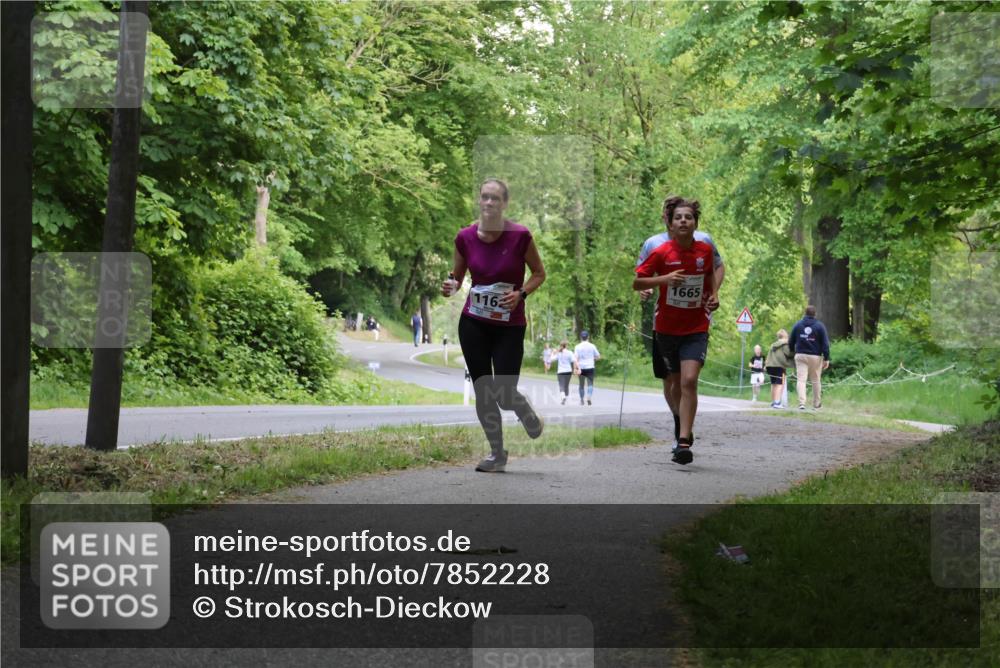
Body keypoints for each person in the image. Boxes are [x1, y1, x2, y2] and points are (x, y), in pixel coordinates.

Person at [441, 178, 546, 473]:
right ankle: (497, 454)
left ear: (504, 204)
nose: (489, 202)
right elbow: (457, 277)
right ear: (479, 200)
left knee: (504, 391)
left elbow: (539, 273)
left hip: (509, 325)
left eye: (495, 198)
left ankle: (524, 411)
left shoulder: (520, 236)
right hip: (474, 322)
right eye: (485, 197)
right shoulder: (465, 237)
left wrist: (521, 293)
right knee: (484, 389)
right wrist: (450, 286)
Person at [636, 195, 724, 445]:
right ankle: (679, 419)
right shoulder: (654, 245)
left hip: (695, 322)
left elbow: (715, 269)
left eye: (688, 217)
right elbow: (640, 278)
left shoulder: (705, 244)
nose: (682, 220)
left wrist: (714, 294)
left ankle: (684, 435)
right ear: (667, 220)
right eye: (675, 216)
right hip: (666, 324)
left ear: (695, 221)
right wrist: (650, 287)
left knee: (689, 380)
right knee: (671, 382)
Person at [790, 305, 831, 410]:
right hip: (815, 356)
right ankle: (816, 404)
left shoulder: (798, 325)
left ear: (805, 313)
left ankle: (802, 403)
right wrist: (826, 358)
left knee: (801, 380)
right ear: (815, 314)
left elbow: (791, 341)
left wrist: (793, 351)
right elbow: (825, 344)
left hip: (801, 355)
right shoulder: (820, 326)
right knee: (816, 380)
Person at [764, 329, 793, 408]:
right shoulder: (785, 345)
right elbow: (789, 353)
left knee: (773, 384)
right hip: (779, 366)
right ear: (786, 336)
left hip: (770, 366)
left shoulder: (773, 345)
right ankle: (777, 402)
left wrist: (765, 365)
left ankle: (773, 401)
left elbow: (768, 356)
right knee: (780, 384)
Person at [573, 331, 601, 405]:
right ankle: (589, 396)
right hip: (590, 367)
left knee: (581, 384)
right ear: (588, 337)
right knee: (590, 383)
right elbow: (598, 356)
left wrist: (575, 368)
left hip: (581, 367)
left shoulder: (577, 346)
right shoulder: (592, 346)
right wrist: (593, 359)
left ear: (581, 337)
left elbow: (575, 359)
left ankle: (582, 400)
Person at [554, 340, 575, 405]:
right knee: (566, 385)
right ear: (566, 345)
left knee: (561, 385)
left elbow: (552, 359)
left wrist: (553, 352)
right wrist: (574, 370)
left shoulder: (558, 353)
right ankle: (566, 399)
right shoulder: (570, 352)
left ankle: (563, 397)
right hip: (568, 371)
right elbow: (573, 361)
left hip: (560, 371)